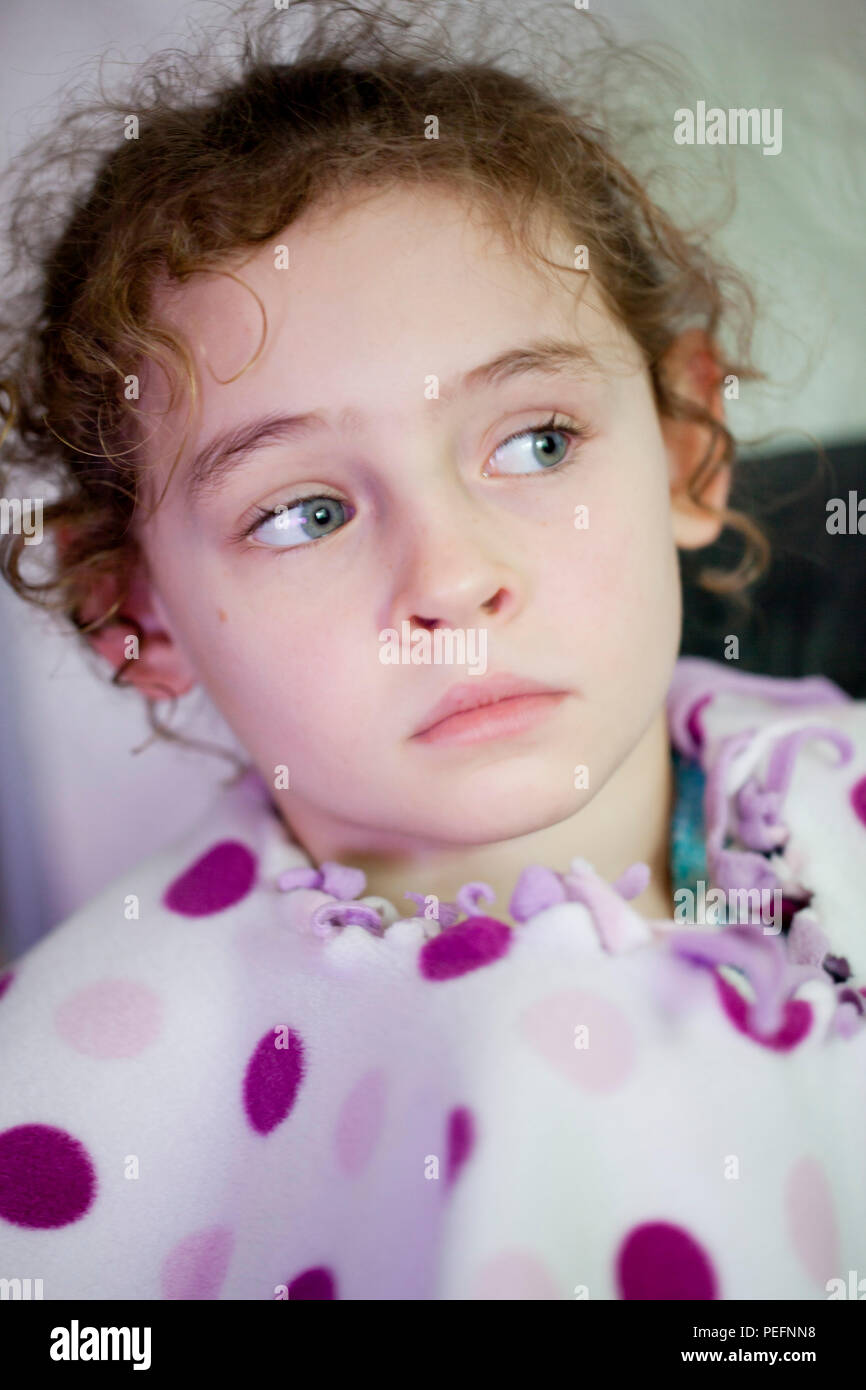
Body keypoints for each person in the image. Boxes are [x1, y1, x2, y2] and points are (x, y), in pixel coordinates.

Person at [0, 0, 864, 1300]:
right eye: (303, 513)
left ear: (686, 440)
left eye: (535, 442)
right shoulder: (69, 1080)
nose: (452, 578)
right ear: (137, 611)